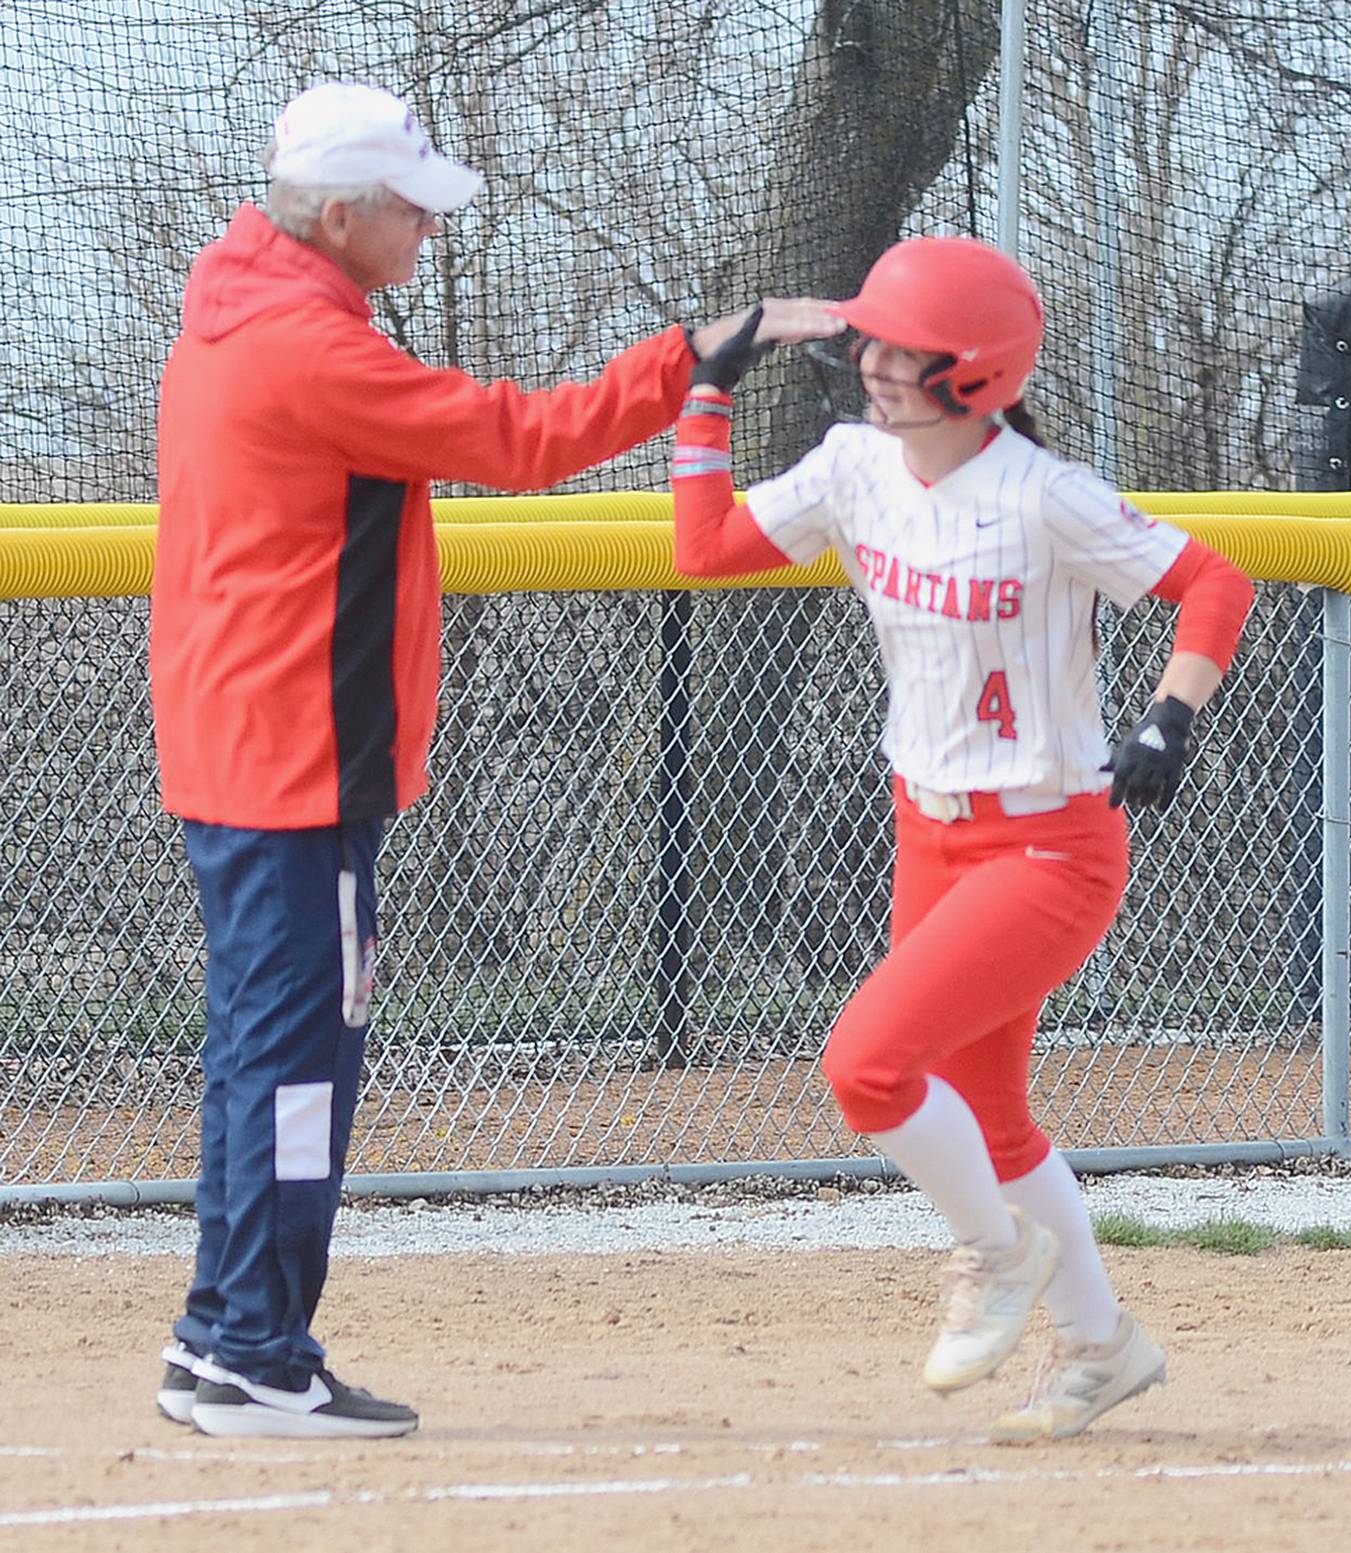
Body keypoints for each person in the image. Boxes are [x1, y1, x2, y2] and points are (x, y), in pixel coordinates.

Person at [150, 80, 839, 1441]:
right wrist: (700, 358)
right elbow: (530, 441)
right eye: (409, 209)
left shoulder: (249, 313)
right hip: (294, 761)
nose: (429, 231)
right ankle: (256, 1353)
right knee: (294, 1068)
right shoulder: (310, 349)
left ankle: (227, 1336)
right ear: (337, 214)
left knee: (261, 1055)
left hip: (249, 748)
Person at [670, 236, 1253, 1442]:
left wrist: (1170, 714)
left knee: (868, 1066)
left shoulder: (1044, 493)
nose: (876, 363)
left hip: (1049, 846)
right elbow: (705, 548)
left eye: (906, 349)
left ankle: (997, 1253)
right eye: (873, 341)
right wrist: (709, 393)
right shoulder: (852, 468)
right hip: (925, 832)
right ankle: (1103, 1345)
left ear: (975, 375)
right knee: (987, 1119)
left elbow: (1216, 581)